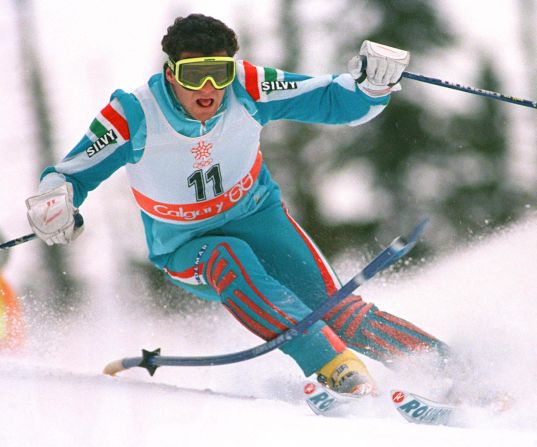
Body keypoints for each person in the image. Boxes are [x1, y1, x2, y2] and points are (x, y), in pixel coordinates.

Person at [25, 14, 449, 395]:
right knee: (229, 256)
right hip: (185, 247)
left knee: (339, 312)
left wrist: (372, 86)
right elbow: (70, 173)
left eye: (219, 73)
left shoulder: (246, 86)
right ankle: (335, 368)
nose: (208, 89)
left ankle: (452, 369)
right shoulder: (134, 113)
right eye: (194, 76)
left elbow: (331, 99)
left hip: (259, 218)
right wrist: (54, 202)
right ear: (171, 72)